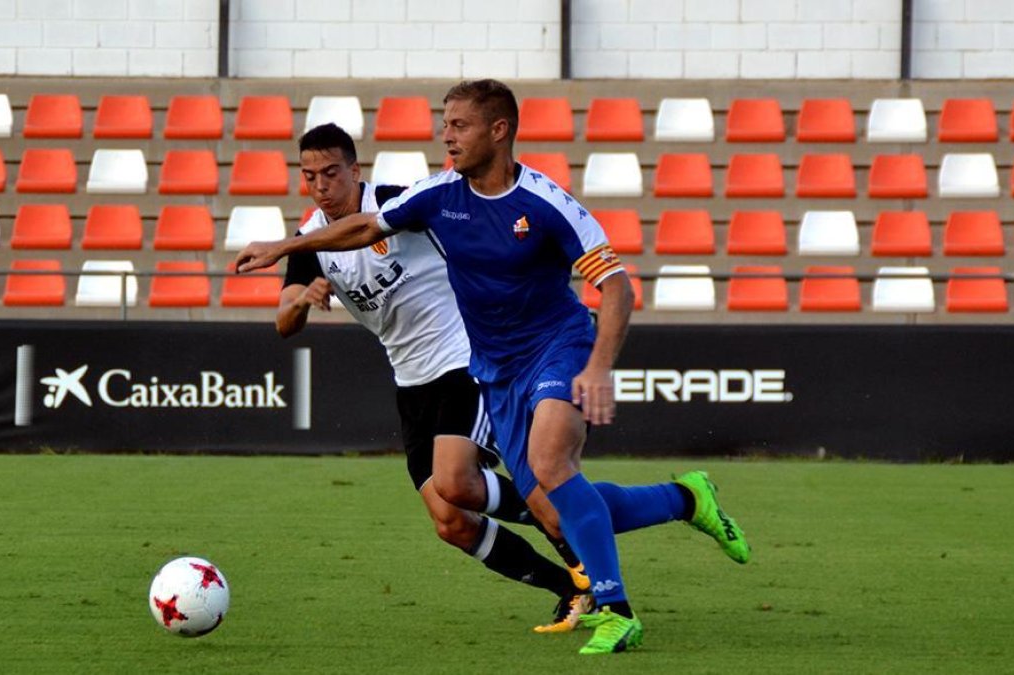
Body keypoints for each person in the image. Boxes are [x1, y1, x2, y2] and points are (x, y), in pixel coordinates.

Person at [238, 82, 751, 655]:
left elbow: (617, 287)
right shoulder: (433, 197)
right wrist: (288, 252)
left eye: (459, 126)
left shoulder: (543, 203)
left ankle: (615, 607)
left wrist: (600, 367)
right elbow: (362, 231)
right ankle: (684, 500)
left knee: (546, 467)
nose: (446, 136)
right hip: (484, 369)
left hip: (541, 348)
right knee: (539, 508)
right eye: (445, 124)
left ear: (499, 131)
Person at [269, 122, 592, 633]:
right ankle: (567, 584)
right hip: (411, 380)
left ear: (356, 171)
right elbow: (283, 320)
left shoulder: (399, 204)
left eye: (331, 173)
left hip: (465, 359)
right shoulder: (310, 241)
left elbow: (460, 227)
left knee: (456, 480)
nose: (321, 185)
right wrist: (303, 303)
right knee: (450, 520)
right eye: (309, 176)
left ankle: (579, 545)